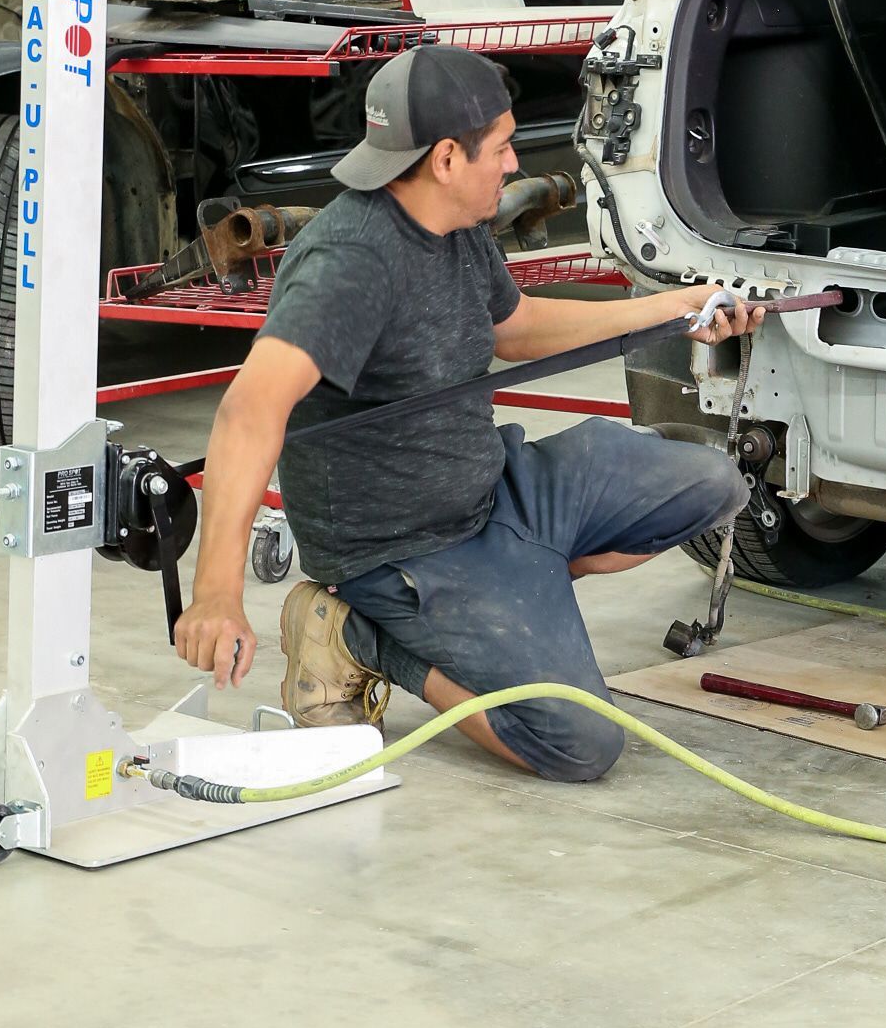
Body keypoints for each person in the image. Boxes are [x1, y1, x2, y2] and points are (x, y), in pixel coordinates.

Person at [173, 44, 759, 783]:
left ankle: (514, 587)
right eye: (504, 146)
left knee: (711, 484)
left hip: (493, 490)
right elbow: (248, 412)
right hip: (402, 546)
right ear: (446, 157)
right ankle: (362, 634)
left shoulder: (452, 225)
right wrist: (217, 594)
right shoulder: (351, 262)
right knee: (578, 744)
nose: (515, 164)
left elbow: (511, 328)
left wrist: (669, 312)